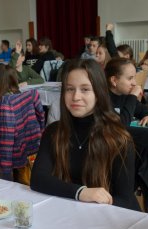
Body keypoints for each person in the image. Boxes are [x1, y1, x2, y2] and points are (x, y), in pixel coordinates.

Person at [31, 58, 138, 210]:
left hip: (108, 219)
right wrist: (81, 192)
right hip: (67, 214)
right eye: (70, 89)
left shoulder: (118, 138)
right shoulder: (53, 132)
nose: (76, 97)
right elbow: (38, 179)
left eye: (85, 89)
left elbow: (125, 201)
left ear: (99, 93)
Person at [105, 58, 148, 127]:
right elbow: (121, 125)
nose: (134, 83)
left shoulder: (124, 95)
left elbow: (145, 110)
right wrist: (133, 96)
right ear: (114, 80)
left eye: (134, 78)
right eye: (130, 78)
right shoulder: (102, 99)